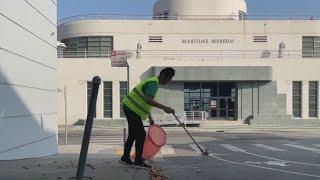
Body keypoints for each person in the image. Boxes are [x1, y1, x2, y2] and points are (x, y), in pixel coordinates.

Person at [119, 67, 176, 168]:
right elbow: (148, 100)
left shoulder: (152, 82)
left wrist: (150, 117)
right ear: (163, 76)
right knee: (140, 134)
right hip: (131, 109)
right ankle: (138, 161)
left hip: (129, 107)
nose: (168, 82)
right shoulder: (153, 84)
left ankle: (125, 158)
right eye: (168, 79)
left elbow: (145, 102)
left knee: (133, 134)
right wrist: (164, 108)